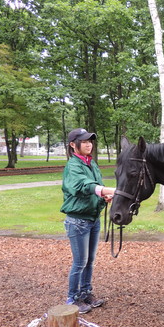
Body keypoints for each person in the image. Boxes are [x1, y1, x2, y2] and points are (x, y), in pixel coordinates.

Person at [61, 128, 115, 314]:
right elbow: (82, 186)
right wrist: (107, 190)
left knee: (89, 261)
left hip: (92, 219)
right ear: (73, 145)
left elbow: (92, 191)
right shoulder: (73, 165)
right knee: (80, 262)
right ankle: (72, 298)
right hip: (78, 221)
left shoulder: (91, 163)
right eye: (84, 141)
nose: (88, 144)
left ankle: (85, 293)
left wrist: (103, 198)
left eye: (90, 141)